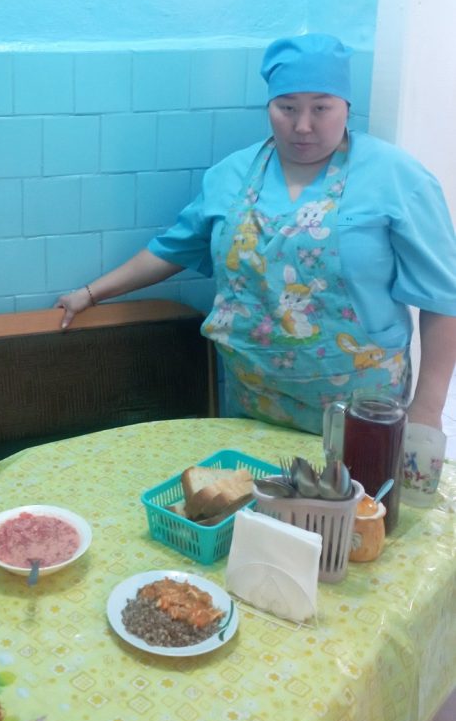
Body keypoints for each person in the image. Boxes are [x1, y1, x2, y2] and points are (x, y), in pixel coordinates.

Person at [57, 34, 456, 435]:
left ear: (346, 107)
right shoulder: (230, 175)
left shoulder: (397, 178)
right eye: (287, 108)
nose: (303, 125)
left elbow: (443, 297)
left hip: (361, 410)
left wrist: (427, 410)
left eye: (321, 107)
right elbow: (172, 250)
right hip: (253, 404)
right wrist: (90, 293)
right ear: (269, 107)